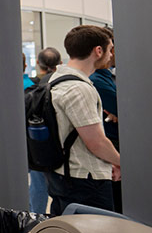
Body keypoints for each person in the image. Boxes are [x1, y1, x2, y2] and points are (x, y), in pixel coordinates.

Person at [46, 26, 120, 215]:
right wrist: (121, 162)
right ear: (98, 51)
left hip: (61, 174)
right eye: (110, 49)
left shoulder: (56, 80)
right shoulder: (80, 89)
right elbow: (96, 142)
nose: (111, 55)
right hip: (85, 181)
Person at [27, 47, 61, 213]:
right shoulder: (62, 83)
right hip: (61, 143)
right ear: (60, 63)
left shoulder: (31, 85)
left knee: (38, 183)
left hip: (38, 141)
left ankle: (35, 221)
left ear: (38, 63)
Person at [89, 28, 120, 212]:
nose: (113, 54)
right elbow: (124, 110)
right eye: (112, 48)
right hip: (112, 147)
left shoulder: (109, 77)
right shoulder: (96, 80)